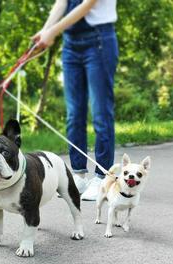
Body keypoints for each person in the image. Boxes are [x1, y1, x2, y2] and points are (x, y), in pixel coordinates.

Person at [32, 0, 118, 201]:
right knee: (74, 115)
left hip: (98, 40)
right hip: (70, 44)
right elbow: (62, 2)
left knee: (101, 114)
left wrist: (52, 31)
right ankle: (79, 174)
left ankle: (102, 177)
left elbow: (88, 4)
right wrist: (44, 33)